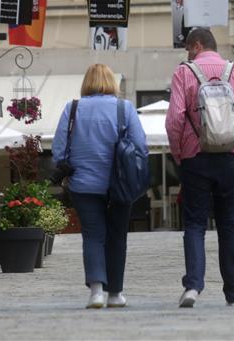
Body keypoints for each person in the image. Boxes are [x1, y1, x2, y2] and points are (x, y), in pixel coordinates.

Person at [166, 28, 234, 308]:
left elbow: (174, 120)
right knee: (229, 225)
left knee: (195, 224)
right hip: (230, 158)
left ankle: (193, 287)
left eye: (188, 48)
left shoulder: (184, 72)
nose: (187, 54)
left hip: (194, 158)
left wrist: (178, 154)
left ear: (197, 46)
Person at [51, 64, 147, 310]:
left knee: (93, 236)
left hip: (83, 185)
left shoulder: (72, 109)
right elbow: (140, 147)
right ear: (111, 83)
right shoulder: (123, 108)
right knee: (117, 237)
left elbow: (59, 151)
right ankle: (115, 293)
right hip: (120, 185)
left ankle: (96, 292)